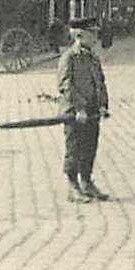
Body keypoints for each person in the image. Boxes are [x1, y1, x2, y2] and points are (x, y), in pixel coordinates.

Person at [57, 19, 110, 203]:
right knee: (74, 149)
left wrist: (103, 105)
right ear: (80, 35)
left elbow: (100, 83)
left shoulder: (93, 57)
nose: (95, 37)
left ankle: (87, 183)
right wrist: (79, 108)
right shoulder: (69, 57)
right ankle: (73, 187)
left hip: (92, 111)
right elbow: (65, 85)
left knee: (90, 147)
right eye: (92, 34)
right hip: (74, 113)